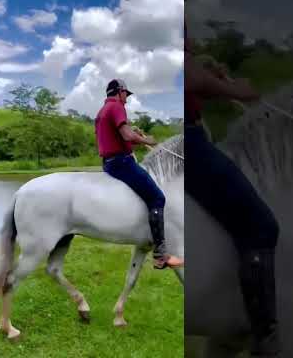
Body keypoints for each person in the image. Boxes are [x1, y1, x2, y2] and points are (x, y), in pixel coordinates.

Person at [185, 26, 281, 356]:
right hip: (190, 143)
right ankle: (265, 339)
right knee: (260, 226)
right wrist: (236, 90)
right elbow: (189, 79)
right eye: (186, 34)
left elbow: (191, 83)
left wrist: (214, 86)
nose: (192, 41)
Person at [95, 79, 184, 269]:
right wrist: (147, 140)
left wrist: (133, 134)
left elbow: (118, 136)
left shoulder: (102, 111)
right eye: (126, 94)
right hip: (122, 163)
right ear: (119, 92)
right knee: (157, 198)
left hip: (109, 163)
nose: (126, 99)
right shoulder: (117, 107)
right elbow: (127, 136)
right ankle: (161, 255)